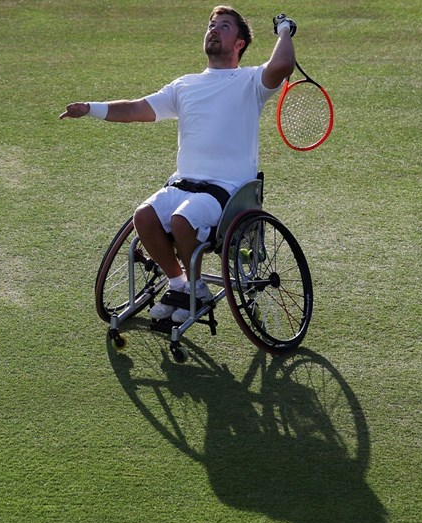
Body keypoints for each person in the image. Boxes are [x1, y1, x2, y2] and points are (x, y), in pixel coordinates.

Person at [61, 7, 297, 322]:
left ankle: (195, 290)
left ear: (239, 43)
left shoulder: (251, 80)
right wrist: (90, 108)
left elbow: (282, 64)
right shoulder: (184, 85)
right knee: (144, 217)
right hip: (183, 184)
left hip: (228, 191)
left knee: (182, 219)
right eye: (211, 25)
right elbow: (134, 109)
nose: (213, 30)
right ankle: (181, 284)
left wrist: (284, 30)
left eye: (223, 27)